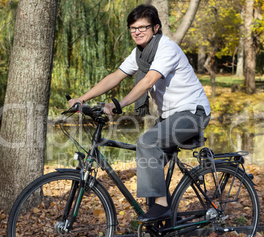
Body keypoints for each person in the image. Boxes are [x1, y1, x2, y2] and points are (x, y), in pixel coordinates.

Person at [69, 4, 211, 222]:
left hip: (192, 113)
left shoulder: (166, 49)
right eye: (133, 28)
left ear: (155, 28)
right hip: (170, 116)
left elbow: (148, 81)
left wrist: (120, 104)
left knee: (146, 142)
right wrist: (82, 99)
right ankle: (168, 223)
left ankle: (163, 207)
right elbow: (115, 76)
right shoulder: (140, 55)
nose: (137, 31)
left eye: (143, 27)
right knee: (149, 166)